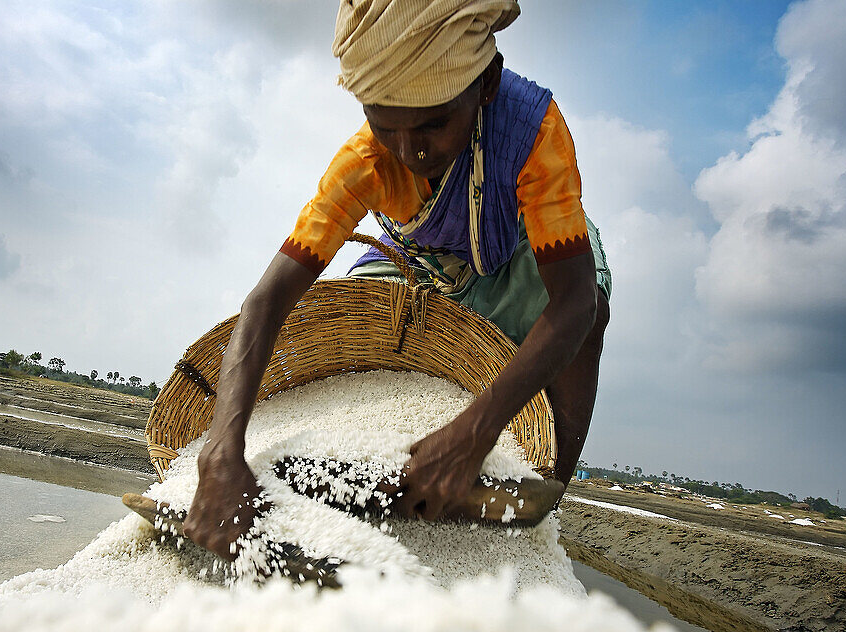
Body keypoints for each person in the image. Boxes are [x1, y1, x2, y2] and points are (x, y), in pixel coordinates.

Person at [184, 0, 610, 560]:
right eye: (386, 126)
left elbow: (573, 299)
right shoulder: (367, 161)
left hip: (520, 255)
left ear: (484, 85)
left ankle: (542, 499)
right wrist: (220, 453)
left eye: (434, 123)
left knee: (591, 314)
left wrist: (471, 436)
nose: (411, 152)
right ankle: (381, 477)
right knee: (372, 315)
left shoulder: (532, 131)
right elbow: (265, 304)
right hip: (419, 260)